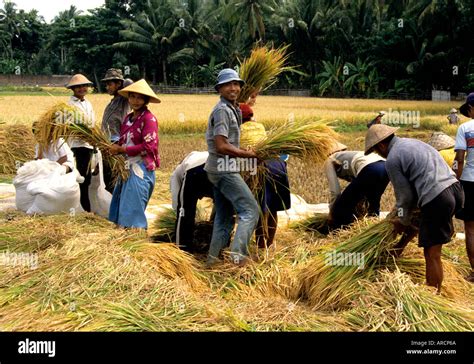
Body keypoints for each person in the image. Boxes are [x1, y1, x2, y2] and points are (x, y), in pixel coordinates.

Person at [365, 124, 464, 292]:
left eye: (376, 151)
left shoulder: (393, 158)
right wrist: (401, 216)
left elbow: (405, 197)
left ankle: (433, 297)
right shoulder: (413, 143)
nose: (378, 154)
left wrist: (401, 220)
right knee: (421, 220)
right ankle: (398, 250)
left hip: (437, 197)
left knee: (431, 253)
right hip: (455, 190)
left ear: (381, 145)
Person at [204, 68, 259, 266]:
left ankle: (213, 261)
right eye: (228, 84)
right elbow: (221, 145)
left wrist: (245, 149)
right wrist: (248, 154)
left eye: (236, 84)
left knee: (224, 217)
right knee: (251, 210)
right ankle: (237, 259)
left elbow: (230, 143)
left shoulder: (232, 108)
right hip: (223, 170)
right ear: (219, 88)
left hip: (217, 169)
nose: (233, 88)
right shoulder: (222, 111)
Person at [240, 93, 291, 249]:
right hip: (277, 164)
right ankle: (268, 245)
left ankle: (262, 247)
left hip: (260, 166)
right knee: (273, 207)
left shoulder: (238, 129)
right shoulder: (259, 126)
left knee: (260, 209)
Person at [108, 79, 160, 229]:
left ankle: (136, 242)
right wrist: (114, 146)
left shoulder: (149, 119)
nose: (136, 101)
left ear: (146, 100)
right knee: (123, 207)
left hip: (141, 169)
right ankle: (122, 241)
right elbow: (124, 140)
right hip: (126, 169)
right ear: (128, 98)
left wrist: (121, 150)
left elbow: (149, 147)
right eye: (132, 97)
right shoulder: (128, 118)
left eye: (140, 98)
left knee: (133, 210)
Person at [324, 142, 389, 230]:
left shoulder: (329, 160)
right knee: (372, 205)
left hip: (370, 169)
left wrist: (333, 212)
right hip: (386, 168)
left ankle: (339, 234)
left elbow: (335, 192)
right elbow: (361, 186)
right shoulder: (351, 156)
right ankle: (375, 232)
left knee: (341, 207)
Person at [170, 151, 214, 251]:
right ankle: (215, 247)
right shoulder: (196, 155)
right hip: (218, 166)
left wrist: (180, 211)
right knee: (222, 211)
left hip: (195, 170)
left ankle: (182, 249)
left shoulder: (177, 174)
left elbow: (178, 207)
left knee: (185, 214)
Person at [101, 68, 133, 193]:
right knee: (107, 178)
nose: (107, 87)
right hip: (106, 143)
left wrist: (122, 81)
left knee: (114, 178)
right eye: (106, 84)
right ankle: (113, 206)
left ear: (119, 84)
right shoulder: (112, 102)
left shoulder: (124, 99)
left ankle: (118, 206)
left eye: (110, 84)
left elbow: (130, 84)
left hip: (116, 143)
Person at [66, 74, 95, 212]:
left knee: (87, 178)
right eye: (78, 86)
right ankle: (81, 208)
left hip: (88, 145)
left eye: (84, 86)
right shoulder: (69, 105)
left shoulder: (88, 104)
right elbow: (67, 126)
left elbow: (92, 123)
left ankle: (84, 207)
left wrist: (93, 137)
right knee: (79, 177)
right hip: (76, 146)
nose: (82, 88)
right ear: (73, 89)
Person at [453, 92, 474, 282]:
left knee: (471, 228)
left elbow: (459, 159)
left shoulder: (465, 128)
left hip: (470, 181)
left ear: (470, 108)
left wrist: (456, 181)